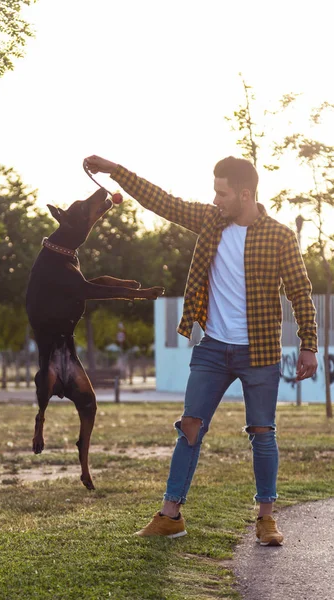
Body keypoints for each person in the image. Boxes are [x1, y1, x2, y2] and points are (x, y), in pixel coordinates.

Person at [84, 154, 318, 546]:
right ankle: (170, 514)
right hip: (212, 347)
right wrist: (116, 170)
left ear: (245, 194)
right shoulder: (211, 222)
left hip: (259, 351)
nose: (214, 200)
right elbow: (161, 201)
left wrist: (308, 344)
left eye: (221, 193)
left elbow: (300, 291)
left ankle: (266, 519)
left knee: (263, 433)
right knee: (190, 426)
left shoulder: (279, 236)